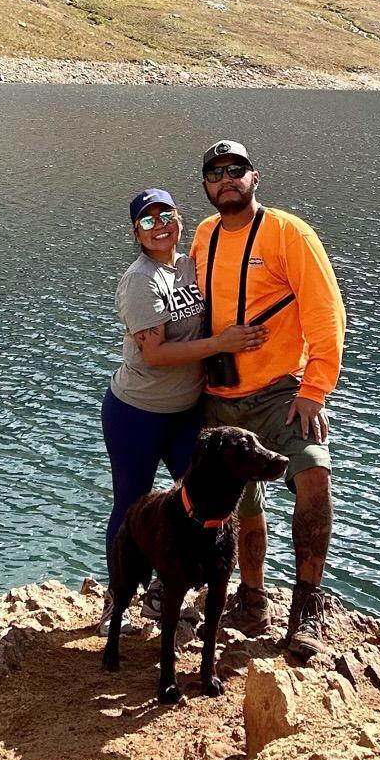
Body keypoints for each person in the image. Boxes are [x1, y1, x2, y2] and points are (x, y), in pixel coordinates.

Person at [190, 140, 347, 660]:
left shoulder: (288, 232)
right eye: (215, 173)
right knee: (242, 503)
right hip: (218, 394)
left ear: (254, 177)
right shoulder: (204, 235)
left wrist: (314, 390)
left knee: (314, 473)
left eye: (236, 169)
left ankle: (307, 607)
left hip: (281, 390)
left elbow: (325, 312)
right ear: (206, 185)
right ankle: (252, 599)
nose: (226, 179)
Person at [101, 187, 266, 630]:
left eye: (166, 216)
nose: (159, 226)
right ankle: (116, 603)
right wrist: (221, 344)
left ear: (179, 219)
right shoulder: (141, 280)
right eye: (148, 220)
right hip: (137, 412)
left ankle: (163, 591)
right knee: (131, 505)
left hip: (187, 411)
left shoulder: (190, 265)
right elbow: (154, 353)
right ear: (136, 232)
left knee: (197, 502)